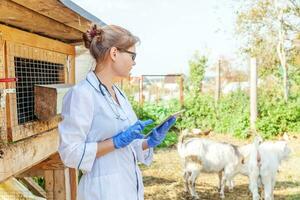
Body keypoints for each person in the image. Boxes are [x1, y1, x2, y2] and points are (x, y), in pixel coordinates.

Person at [58, 24, 176, 200]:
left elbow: (127, 147)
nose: (134, 62)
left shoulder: (119, 93)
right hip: (101, 192)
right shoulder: (82, 94)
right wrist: (115, 141)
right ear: (114, 53)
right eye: (132, 55)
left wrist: (148, 142)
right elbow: (70, 153)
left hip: (129, 188)